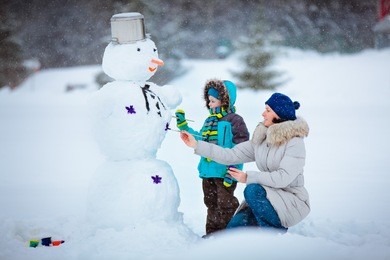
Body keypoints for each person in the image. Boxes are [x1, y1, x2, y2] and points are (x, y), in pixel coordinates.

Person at [180, 92, 310, 232]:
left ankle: (274, 235)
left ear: (278, 115)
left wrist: (247, 177)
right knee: (232, 231)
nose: (263, 114)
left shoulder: (294, 143)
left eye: (267, 110)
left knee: (252, 189)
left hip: (291, 200)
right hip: (267, 197)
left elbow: (283, 178)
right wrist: (196, 145)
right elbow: (230, 155)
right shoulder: (262, 140)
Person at [175, 79, 249, 236]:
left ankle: (229, 235)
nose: (209, 104)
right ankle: (212, 235)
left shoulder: (235, 121)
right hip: (208, 171)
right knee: (211, 203)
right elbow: (200, 139)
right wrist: (184, 127)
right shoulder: (209, 121)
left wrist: (233, 172)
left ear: (224, 101)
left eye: (213, 101)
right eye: (208, 101)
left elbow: (242, 149)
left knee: (225, 204)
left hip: (225, 173)